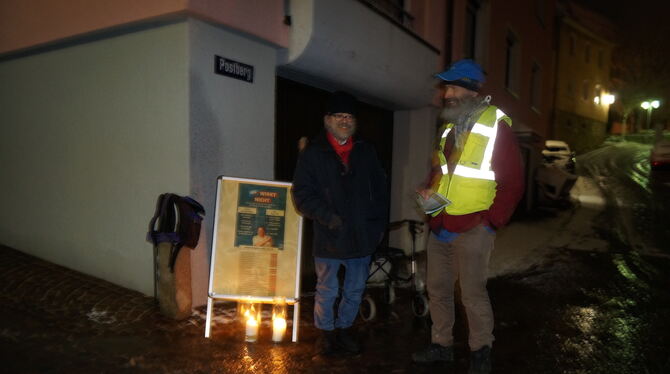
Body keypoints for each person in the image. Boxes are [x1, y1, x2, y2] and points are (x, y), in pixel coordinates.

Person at [412, 59, 524, 374]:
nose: (446, 93)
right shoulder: (448, 128)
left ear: (470, 89)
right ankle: (441, 345)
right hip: (441, 225)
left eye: (451, 86)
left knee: (472, 293)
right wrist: (428, 198)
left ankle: (480, 352)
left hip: (474, 226)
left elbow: (513, 182)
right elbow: (441, 174)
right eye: (445, 87)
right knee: (438, 289)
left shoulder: (494, 125)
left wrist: (489, 221)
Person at [292, 91, 389, 357]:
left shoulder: (366, 151)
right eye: (339, 116)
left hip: (362, 235)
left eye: (349, 116)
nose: (345, 121)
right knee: (327, 289)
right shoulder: (313, 153)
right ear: (328, 120)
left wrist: (377, 226)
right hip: (329, 235)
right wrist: (329, 218)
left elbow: (381, 191)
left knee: (355, 288)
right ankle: (326, 333)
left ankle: (345, 329)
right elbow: (302, 195)